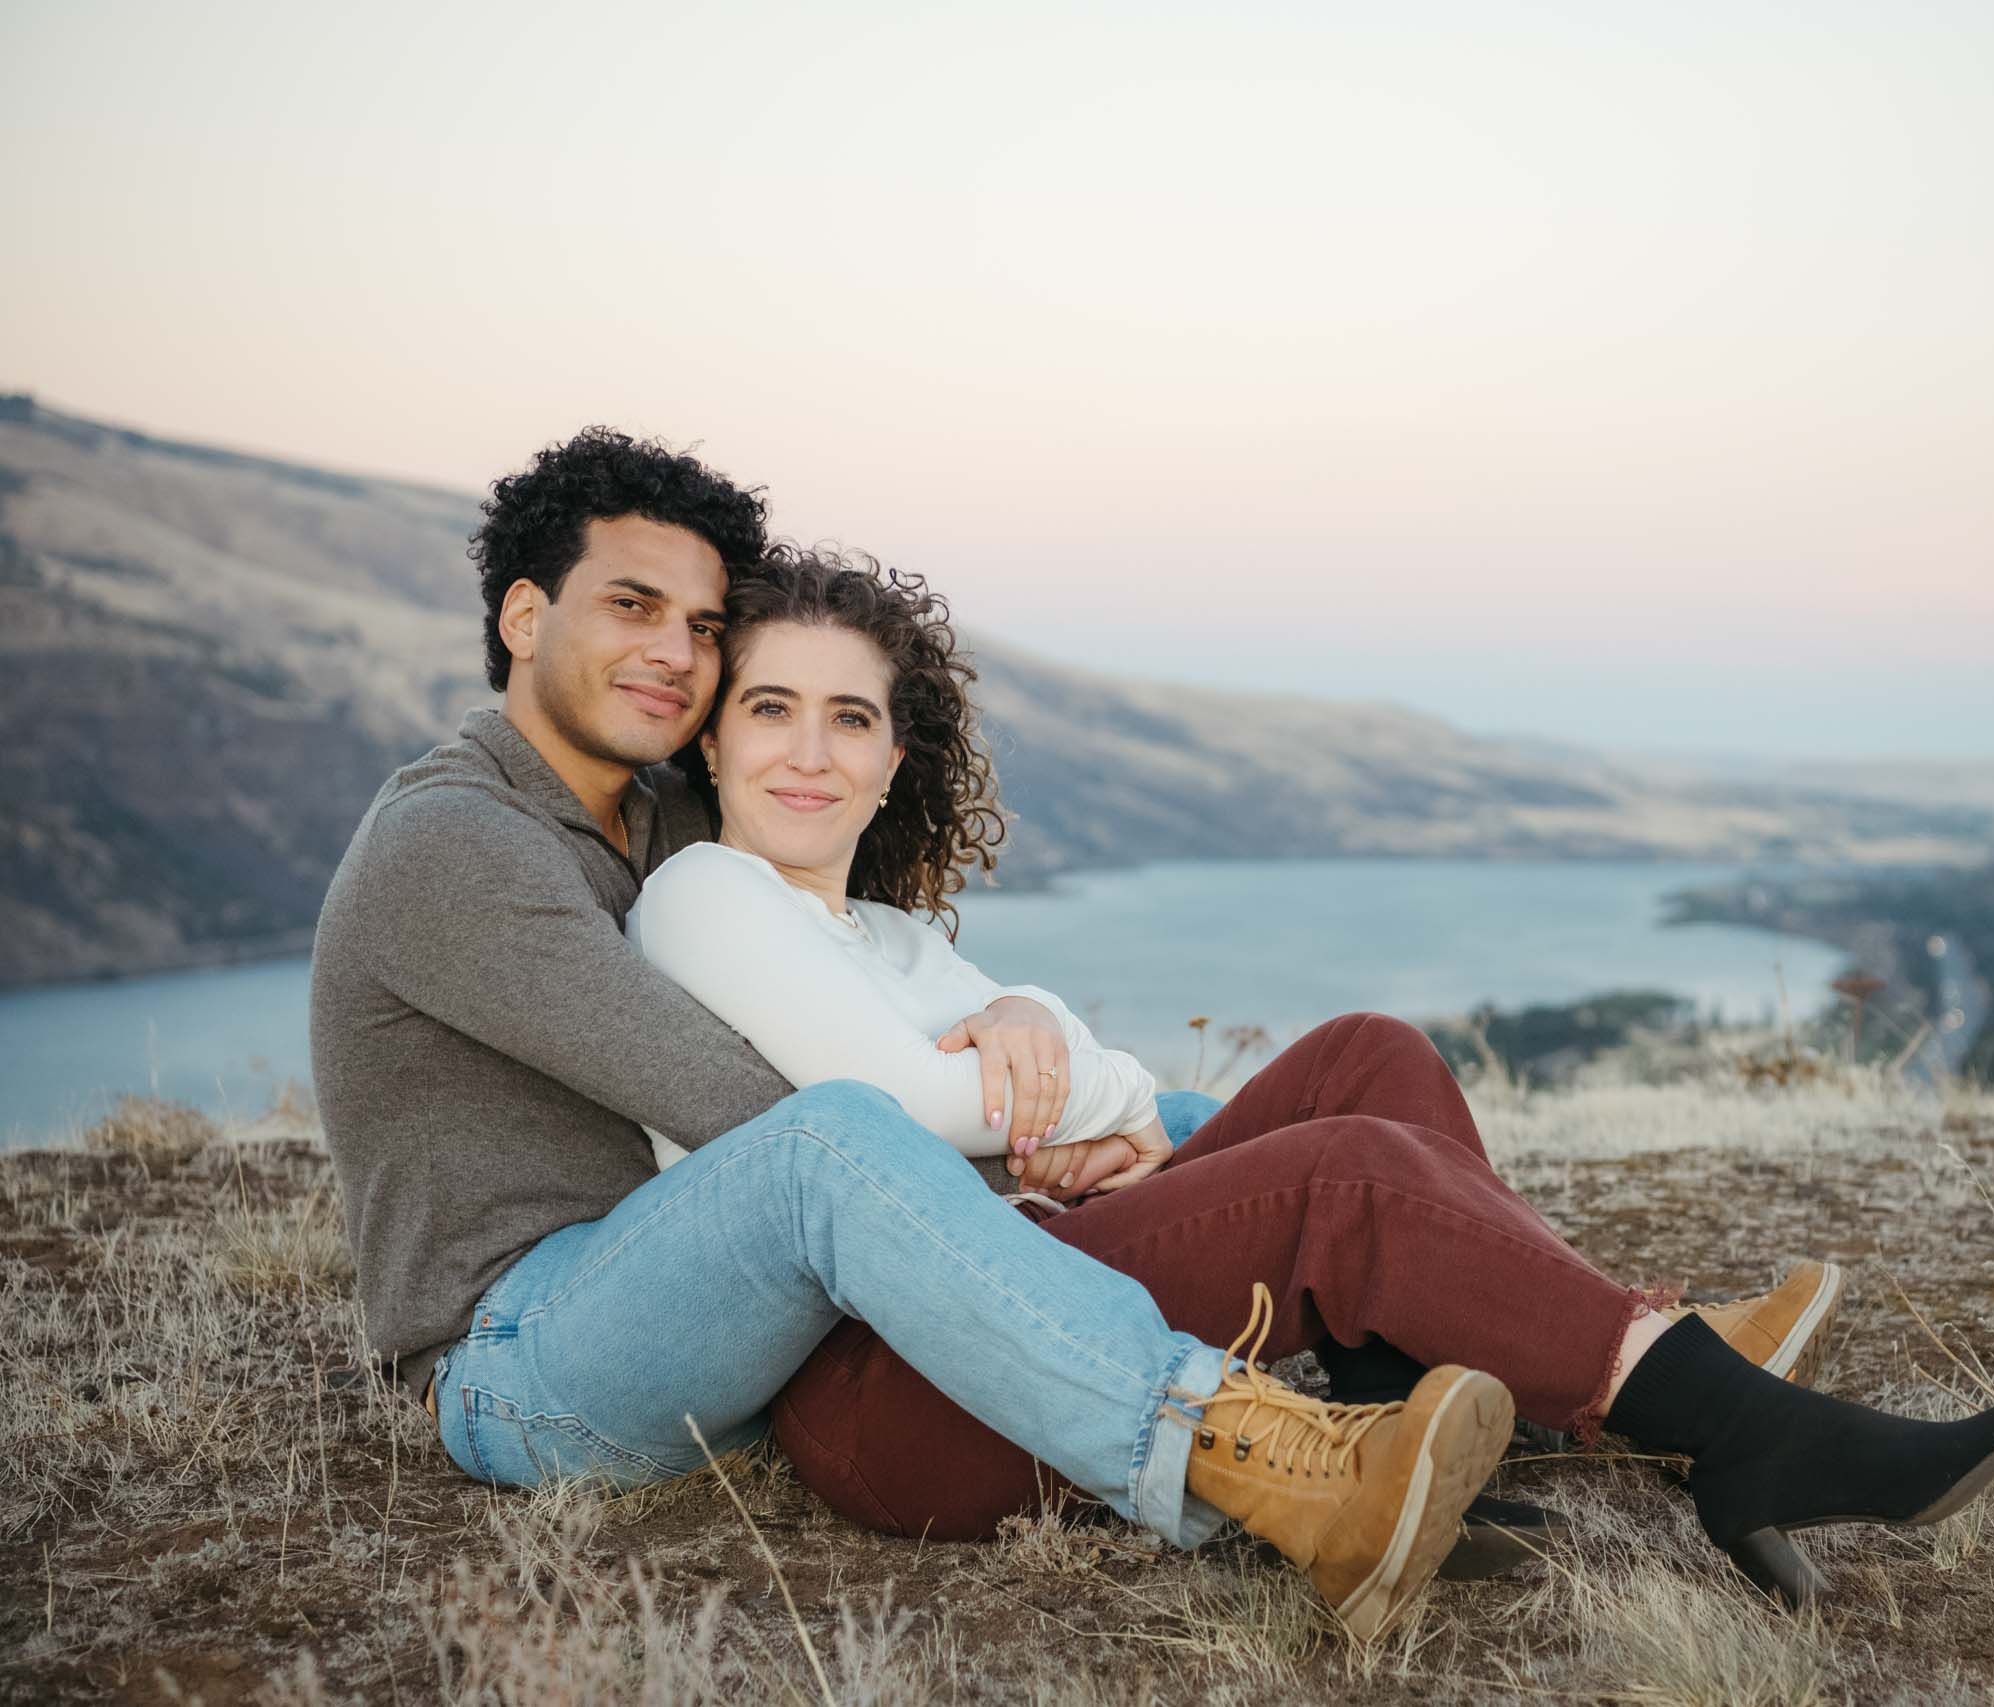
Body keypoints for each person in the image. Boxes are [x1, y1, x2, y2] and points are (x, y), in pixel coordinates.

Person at [621, 544, 1994, 1608]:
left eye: (851, 718)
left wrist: (1033, 1031)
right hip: (903, 1391)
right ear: (714, 732)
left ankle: (1421, 1406)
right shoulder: (702, 892)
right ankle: (1744, 1433)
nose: (810, 752)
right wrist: (1081, 1098)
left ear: (894, 759)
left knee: (1371, 1053)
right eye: (771, 709)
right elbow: (911, 1109)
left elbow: (1031, 1062)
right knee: (1347, 1177)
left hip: (1029, 1287)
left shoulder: (879, 931)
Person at [312, 428, 1517, 1643]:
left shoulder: (657, 811)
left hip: (719, 1299)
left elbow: (861, 964)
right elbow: (754, 1113)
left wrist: (1020, 1020)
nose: (674, 655)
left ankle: (1531, 1357)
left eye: (702, 626)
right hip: (529, 1358)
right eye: (632, 607)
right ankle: (1258, 1463)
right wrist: (1028, 1152)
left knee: (1202, 1125)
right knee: (827, 1138)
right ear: (525, 618)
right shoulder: (454, 843)